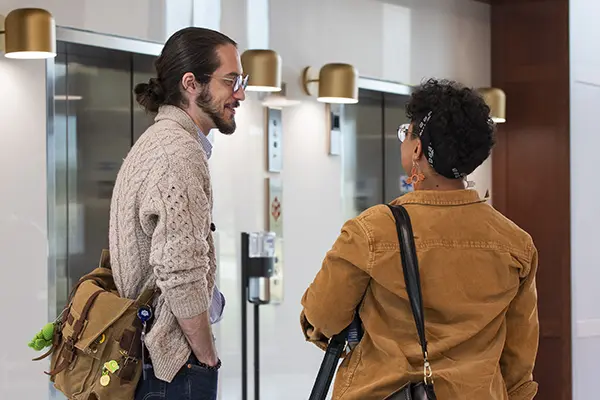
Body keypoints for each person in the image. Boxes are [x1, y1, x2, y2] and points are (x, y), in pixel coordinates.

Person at [301, 79, 539, 399]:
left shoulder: (371, 232)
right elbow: (518, 363)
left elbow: (322, 319)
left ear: (417, 149)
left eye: (406, 132)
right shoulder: (515, 243)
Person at [109, 27, 246, 400]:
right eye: (231, 80)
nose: (241, 94)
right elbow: (181, 271)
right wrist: (206, 359)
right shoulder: (178, 154)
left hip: (150, 363)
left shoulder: (157, 142)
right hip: (170, 368)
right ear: (191, 83)